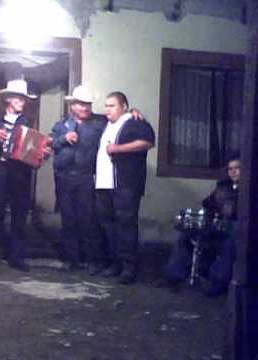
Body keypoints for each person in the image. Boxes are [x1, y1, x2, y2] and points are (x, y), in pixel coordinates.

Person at [0, 79, 49, 272]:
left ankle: (16, 257)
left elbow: (35, 149)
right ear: (8, 99)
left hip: (21, 173)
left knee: (19, 215)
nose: (22, 102)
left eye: (24, 99)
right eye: (19, 98)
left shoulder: (28, 122)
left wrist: (42, 153)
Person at [156, 156, 241, 296]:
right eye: (230, 169)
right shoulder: (223, 186)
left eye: (237, 168)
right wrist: (214, 204)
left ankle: (216, 284)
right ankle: (173, 275)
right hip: (216, 225)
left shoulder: (248, 190)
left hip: (234, 229)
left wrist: (233, 208)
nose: (233, 172)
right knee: (187, 235)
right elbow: (208, 203)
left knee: (230, 242)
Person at [93, 91, 155, 284]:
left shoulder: (135, 122)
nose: (107, 109)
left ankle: (129, 268)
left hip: (125, 185)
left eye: (112, 105)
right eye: (106, 105)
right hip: (104, 184)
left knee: (126, 224)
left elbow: (148, 142)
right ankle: (115, 264)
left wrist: (118, 149)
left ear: (124, 107)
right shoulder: (105, 124)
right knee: (108, 225)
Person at [50, 86, 105, 271]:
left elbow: (119, 120)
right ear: (72, 106)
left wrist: (133, 113)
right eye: (81, 104)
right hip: (63, 177)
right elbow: (51, 144)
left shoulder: (100, 123)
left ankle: (91, 260)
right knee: (68, 218)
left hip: (85, 176)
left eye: (88, 104)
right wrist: (64, 138)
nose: (85, 108)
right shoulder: (61, 125)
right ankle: (71, 259)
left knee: (88, 219)